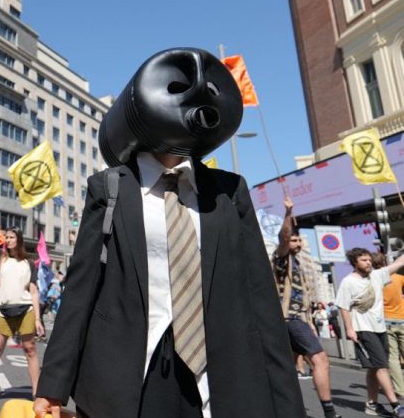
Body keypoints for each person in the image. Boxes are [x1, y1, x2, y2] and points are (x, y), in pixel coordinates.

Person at [36, 48, 304, 418]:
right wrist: (52, 388)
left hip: (216, 381)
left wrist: (288, 404)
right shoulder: (110, 187)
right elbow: (81, 289)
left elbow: (261, 302)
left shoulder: (229, 192)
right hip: (129, 378)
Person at [271, 195, 341, 417]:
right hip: (288, 319)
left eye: (299, 240)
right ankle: (329, 411)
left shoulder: (301, 264)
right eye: (294, 240)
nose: (297, 243)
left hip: (298, 320)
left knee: (286, 368)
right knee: (320, 359)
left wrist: (309, 322)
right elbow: (283, 238)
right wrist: (289, 214)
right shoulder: (282, 260)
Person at [0, 228, 43, 406]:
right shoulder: (0, 261)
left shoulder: (29, 262)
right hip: (3, 311)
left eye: (12, 237)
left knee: (30, 350)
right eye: (7, 237)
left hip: (26, 310)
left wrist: (37, 318)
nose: (8, 240)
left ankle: (36, 394)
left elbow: (34, 291)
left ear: (19, 240)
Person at [336, 248, 404, 416]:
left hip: (380, 328)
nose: (368, 263)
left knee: (374, 368)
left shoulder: (377, 275)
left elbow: (400, 262)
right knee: (382, 366)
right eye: (364, 260)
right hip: (363, 329)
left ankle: (372, 404)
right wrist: (350, 329)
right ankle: (396, 405)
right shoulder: (348, 281)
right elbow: (343, 306)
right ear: (354, 263)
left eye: (369, 260)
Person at [381, 253, 404, 398]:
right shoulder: (399, 279)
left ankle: (400, 390)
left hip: (385, 321)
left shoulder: (375, 279)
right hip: (402, 319)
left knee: (393, 358)